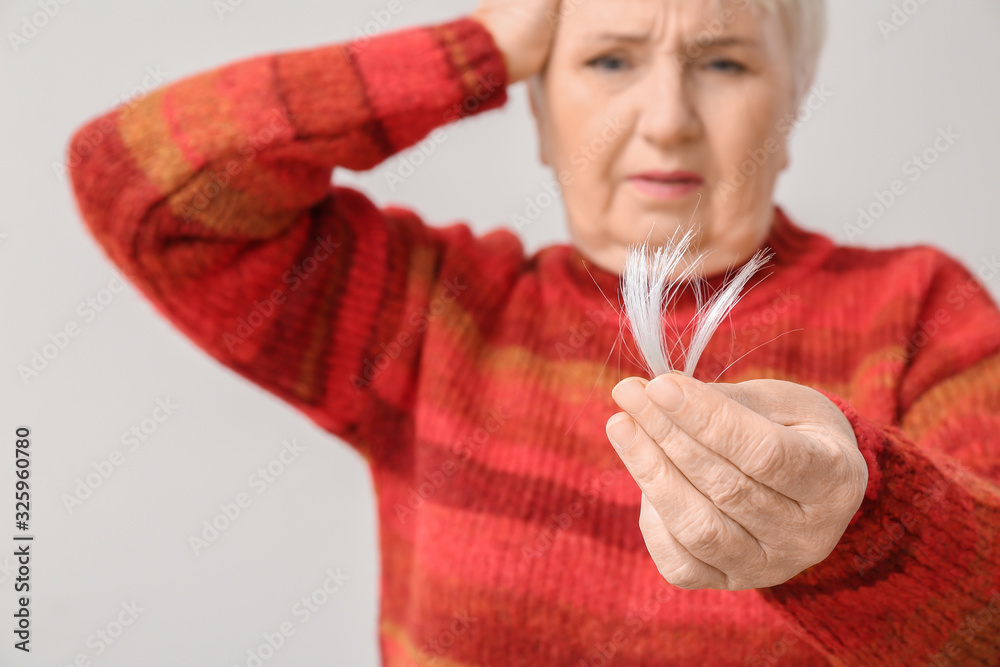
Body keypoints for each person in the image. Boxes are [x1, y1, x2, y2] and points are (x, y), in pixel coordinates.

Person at [65, 0, 1000, 664]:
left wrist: (862, 519)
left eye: (724, 61)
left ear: (790, 109)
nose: (667, 120)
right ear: (542, 114)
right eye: (608, 60)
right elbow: (137, 186)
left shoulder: (922, 311)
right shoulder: (430, 313)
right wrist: (473, 47)